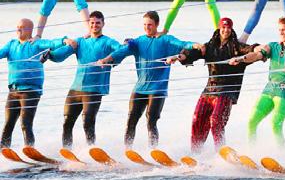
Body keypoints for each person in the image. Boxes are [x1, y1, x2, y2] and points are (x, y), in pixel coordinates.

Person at [97, 11, 201, 147]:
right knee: (131, 120)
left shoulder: (166, 40)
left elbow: (182, 44)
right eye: (145, 25)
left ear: (157, 24)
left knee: (151, 121)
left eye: (150, 25)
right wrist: (106, 59)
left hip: (158, 89)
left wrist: (195, 45)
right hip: (140, 88)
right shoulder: (138, 42)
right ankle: (127, 150)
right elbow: (120, 51)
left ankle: (153, 150)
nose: (147, 27)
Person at [0, 18, 68, 149]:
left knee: (25, 124)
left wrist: (64, 40)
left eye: (22, 27)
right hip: (13, 91)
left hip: (31, 91)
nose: (18, 29)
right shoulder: (11, 45)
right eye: (17, 27)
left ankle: (30, 150)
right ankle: (3, 152)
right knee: (8, 124)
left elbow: (52, 43)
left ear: (30, 30)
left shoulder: (35, 44)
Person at [169, 18, 255, 152]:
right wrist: (180, 57)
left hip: (227, 91)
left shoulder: (237, 47)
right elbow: (193, 53)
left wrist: (257, 50)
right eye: (223, 28)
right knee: (197, 119)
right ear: (219, 29)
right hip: (209, 90)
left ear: (231, 29)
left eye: (228, 28)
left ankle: (221, 151)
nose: (226, 30)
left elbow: (251, 50)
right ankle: (196, 152)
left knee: (216, 120)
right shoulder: (210, 46)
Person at [48, 11, 121, 148]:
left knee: (88, 122)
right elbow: (61, 55)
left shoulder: (108, 42)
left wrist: (108, 59)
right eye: (92, 23)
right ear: (89, 23)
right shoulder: (80, 41)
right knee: (67, 122)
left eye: (98, 23)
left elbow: (121, 50)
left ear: (103, 24)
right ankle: (67, 150)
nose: (94, 25)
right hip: (75, 89)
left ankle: (91, 150)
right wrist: (49, 54)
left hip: (94, 90)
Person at [232, 17, 285, 146]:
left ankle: (281, 152)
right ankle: (251, 150)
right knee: (251, 121)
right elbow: (257, 55)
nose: (281, 32)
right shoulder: (273, 46)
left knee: (275, 124)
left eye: (284, 30)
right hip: (269, 89)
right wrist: (241, 59)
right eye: (279, 30)